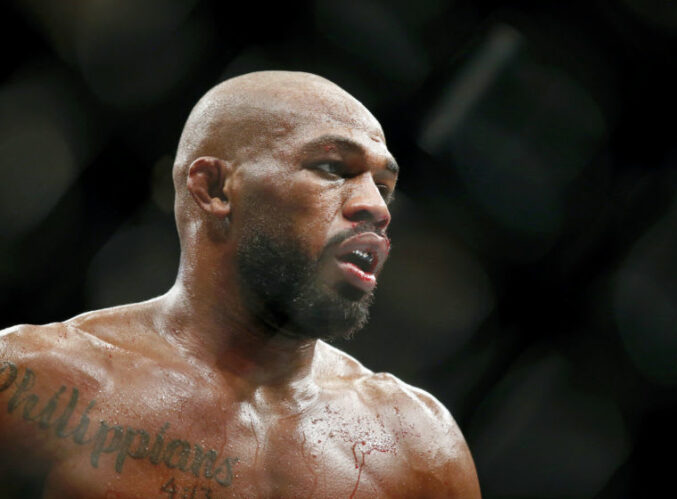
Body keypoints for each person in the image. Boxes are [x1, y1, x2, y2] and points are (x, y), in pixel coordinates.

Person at [0, 71, 481, 498]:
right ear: (214, 189)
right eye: (334, 169)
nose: (377, 208)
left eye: (384, 186)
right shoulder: (34, 384)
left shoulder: (416, 444)